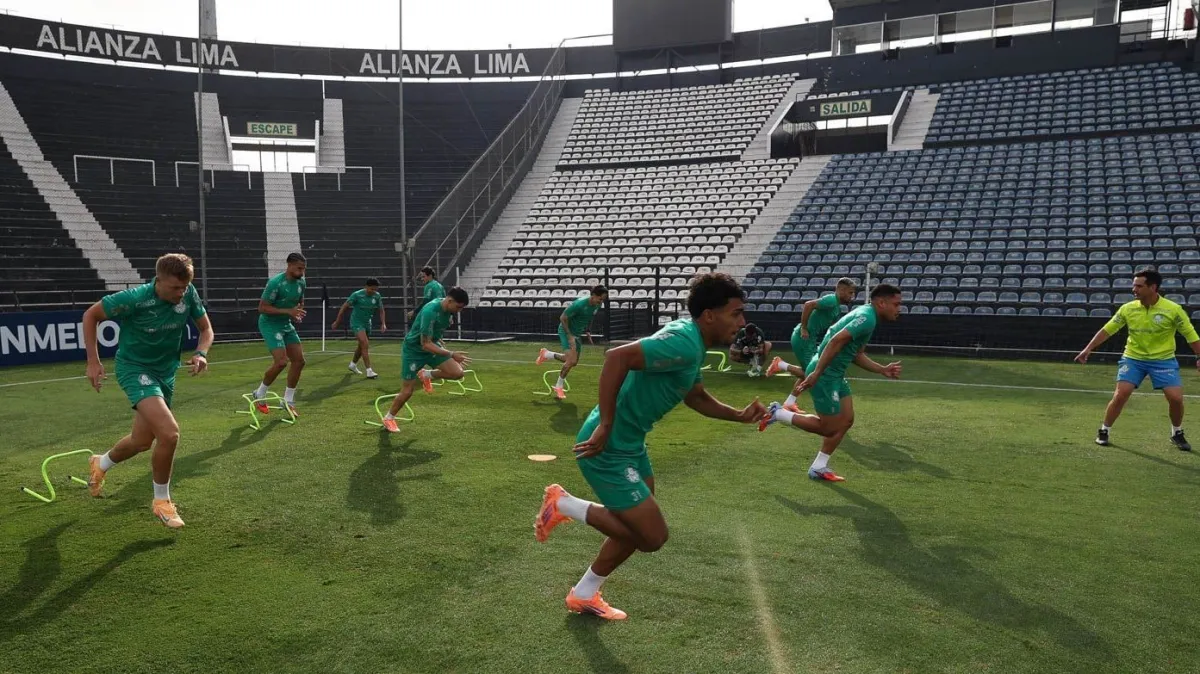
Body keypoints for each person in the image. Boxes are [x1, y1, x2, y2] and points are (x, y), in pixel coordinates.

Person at [534, 273, 766, 620]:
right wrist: (606, 425)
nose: (742, 321)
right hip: (607, 446)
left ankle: (583, 593)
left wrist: (738, 415)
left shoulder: (692, 343)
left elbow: (695, 395)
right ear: (709, 315)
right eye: (735, 313)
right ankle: (563, 504)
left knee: (635, 527)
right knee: (651, 537)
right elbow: (616, 358)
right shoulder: (684, 342)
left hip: (631, 444)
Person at [83, 253, 214, 528]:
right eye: (175, 288)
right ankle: (161, 501)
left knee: (141, 441)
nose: (181, 293)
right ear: (159, 281)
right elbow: (91, 315)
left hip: (165, 372)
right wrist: (93, 361)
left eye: (184, 287)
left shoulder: (188, 293)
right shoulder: (134, 299)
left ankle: (100, 464)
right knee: (169, 433)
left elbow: (206, 329)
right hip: (134, 369)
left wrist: (201, 353)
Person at [758, 283, 904, 482]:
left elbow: (856, 354)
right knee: (829, 427)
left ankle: (819, 467)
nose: (899, 309)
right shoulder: (867, 318)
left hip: (835, 374)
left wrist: (881, 369)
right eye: (896, 304)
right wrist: (817, 373)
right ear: (881, 303)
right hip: (826, 373)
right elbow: (836, 340)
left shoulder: (869, 317)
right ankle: (779, 413)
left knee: (846, 420)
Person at [1075, 267, 1200, 450]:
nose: (1134, 289)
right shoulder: (1128, 308)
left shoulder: (1173, 310)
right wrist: (1088, 349)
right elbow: (1107, 330)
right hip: (1133, 358)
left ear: (1153, 287)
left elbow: (1191, 335)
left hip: (1163, 360)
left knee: (1176, 399)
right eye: (1134, 286)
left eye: (1139, 286)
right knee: (1121, 394)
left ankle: (1177, 433)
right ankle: (1104, 430)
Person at [380, 287, 472, 433]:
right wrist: (451, 354)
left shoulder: (448, 310)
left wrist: (439, 339)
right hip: (414, 350)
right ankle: (389, 418)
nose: (459, 310)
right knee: (407, 391)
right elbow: (425, 344)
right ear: (449, 301)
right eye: (458, 307)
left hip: (432, 346)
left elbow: (434, 332)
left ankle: (426, 374)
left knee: (457, 373)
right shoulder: (431, 311)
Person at [766, 277, 858, 410]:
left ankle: (790, 402)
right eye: (850, 293)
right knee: (812, 374)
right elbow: (808, 304)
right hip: (803, 338)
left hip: (810, 341)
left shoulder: (836, 308)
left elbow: (833, 329)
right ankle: (780, 365)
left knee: (810, 371)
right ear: (842, 290)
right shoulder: (831, 300)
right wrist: (804, 327)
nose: (852, 296)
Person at [250, 253, 307, 417]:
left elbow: (300, 301)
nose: (302, 272)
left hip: (285, 324)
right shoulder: (275, 283)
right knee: (282, 362)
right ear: (289, 265)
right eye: (299, 268)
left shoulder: (301, 282)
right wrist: (288, 311)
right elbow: (262, 308)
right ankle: (260, 392)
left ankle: (288, 401)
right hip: (270, 324)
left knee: (299, 361)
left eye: (303, 269)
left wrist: (297, 313)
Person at [536, 285, 608, 399]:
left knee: (572, 361)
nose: (601, 302)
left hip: (577, 333)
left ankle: (546, 354)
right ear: (594, 295)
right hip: (566, 331)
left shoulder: (597, 305)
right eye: (600, 299)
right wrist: (570, 336)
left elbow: (590, 317)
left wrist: (588, 330)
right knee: (571, 361)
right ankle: (558, 386)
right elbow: (562, 318)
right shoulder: (579, 304)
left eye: (603, 299)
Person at [332, 277, 388, 379]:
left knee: (361, 346)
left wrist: (383, 323)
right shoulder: (356, 295)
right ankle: (369, 371)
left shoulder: (377, 296)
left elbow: (381, 310)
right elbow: (344, 307)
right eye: (371, 289)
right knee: (365, 344)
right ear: (366, 286)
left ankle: (353, 364)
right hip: (357, 323)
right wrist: (337, 321)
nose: (373, 291)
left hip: (367, 323)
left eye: (375, 289)